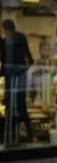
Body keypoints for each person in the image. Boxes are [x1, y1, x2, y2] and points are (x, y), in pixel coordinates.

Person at [2, 18, 35, 146]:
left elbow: (27, 55)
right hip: (11, 75)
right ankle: (12, 136)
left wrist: (26, 66)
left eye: (7, 31)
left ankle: (26, 134)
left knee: (19, 105)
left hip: (18, 74)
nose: (7, 34)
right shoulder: (5, 41)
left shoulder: (19, 39)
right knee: (11, 105)